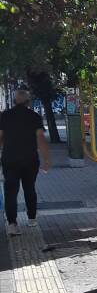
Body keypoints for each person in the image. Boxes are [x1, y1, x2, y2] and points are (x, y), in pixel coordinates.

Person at [0, 88, 51, 235]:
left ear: (14, 101)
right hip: (30, 159)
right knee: (29, 188)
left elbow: (0, 137)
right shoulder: (34, 116)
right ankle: (32, 218)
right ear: (28, 102)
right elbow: (40, 139)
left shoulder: (5, 116)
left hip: (10, 159)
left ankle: (12, 224)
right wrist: (46, 159)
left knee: (10, 191)